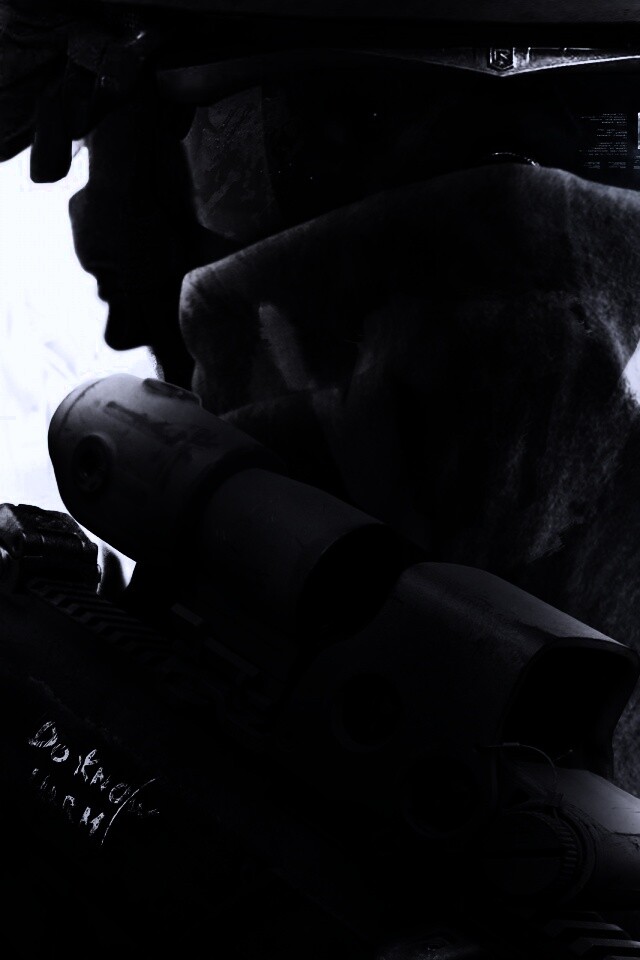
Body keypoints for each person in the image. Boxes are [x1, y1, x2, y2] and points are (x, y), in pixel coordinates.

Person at [5, 1, 640, 955]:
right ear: (137, 230)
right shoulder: (56, 702)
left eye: (611, 136)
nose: (514, 212)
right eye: (346, 127)